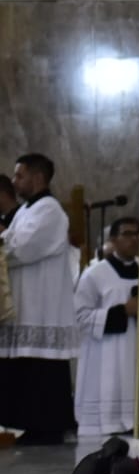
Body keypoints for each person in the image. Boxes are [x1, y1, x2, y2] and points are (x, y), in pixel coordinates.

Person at [73, 217, 139, 438]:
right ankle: (112, 419)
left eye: (137, 234)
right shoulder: (95, 274)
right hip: (110, 351)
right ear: (113, 240)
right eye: (127, 234)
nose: (134, 239)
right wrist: (122, 311)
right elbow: (80, 315)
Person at [0, 154, 80, 444]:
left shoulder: (50, 211)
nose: (14, 181)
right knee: (21, 369)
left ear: (37, 178)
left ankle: (46, 428)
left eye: (19, 176)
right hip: (25, 304)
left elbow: (21, 248)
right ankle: (22, 425)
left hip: (41, 307)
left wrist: (3, 239)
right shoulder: (26, 211)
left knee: (40, 369)